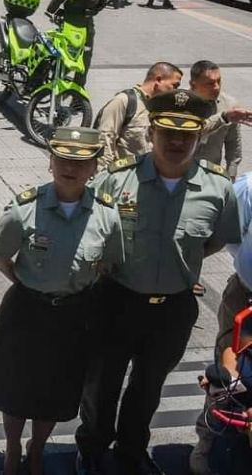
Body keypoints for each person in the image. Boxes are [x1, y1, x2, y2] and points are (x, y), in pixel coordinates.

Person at [75, 89, 242, 475]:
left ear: (200, 137)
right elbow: (92, 230)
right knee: (102, 385)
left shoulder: (217, 189)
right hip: (117, 300)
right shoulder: (117, 181)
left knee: (147, 389)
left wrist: (179, 265)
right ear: (151, 133)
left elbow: (216, 239)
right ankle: (93, 448)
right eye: (167, 132)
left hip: (173, 307)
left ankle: (132, 452)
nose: (176, 142)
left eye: (187, 135)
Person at [0, 127, 124, 475]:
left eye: (80, 161)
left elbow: (110, 262)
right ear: (50, 161)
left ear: (94, 167)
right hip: (27, 311)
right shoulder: (24, 209)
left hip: (74, 315)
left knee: (57, 390)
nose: (69, 167)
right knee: (15, 387)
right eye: (62, 158)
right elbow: (1, 256)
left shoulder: (106, 214)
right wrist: (29, 283)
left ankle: (38, 447)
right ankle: (13, 448)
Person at [189, 170, 252, 475]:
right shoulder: (248, 188)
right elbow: (229, 235)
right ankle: (207, 446)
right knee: (226, 380)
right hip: (246, 298)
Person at [95, 62, 182, 169]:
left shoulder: (162, 109)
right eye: (174, 85)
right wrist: (103, 177)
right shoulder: (124, 101)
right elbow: (105, 140)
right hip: (124, 178)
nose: (176, 91)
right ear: (159, 80)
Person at [46, 0, 106, 85]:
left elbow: (102, 3)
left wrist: (94, 11)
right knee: (65, 59)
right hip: (68, 29)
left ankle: (78, 93)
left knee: (85, 60)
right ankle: (55, 84)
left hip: (87, 30)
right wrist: (64, 15)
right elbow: (51, 9)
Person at [190, 60, 245, 179]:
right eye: (210, 83)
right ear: (193, 84)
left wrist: (231, 176)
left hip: (211, 174)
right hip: (181, 172)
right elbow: (196, 130)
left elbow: (233, 144)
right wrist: (223, 117)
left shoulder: (230, 105)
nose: (216, 87)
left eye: (219, 81)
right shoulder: (180, 103)